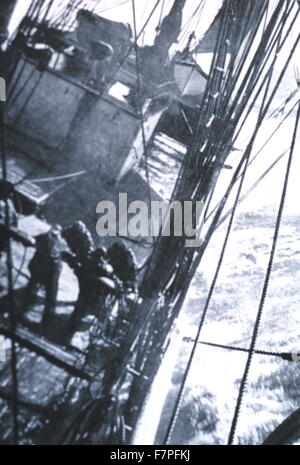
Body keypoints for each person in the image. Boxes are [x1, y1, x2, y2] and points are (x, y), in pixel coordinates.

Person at [25, 224, 64, 327]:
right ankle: (46, 320)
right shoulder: (60, 243)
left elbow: (32, 241)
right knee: (49, 294)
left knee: (35, 287)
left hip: (46, 269)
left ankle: (26, 308)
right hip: (49, 270)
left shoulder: (45, 237)